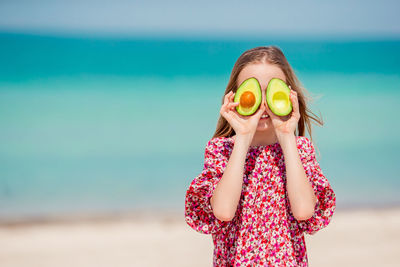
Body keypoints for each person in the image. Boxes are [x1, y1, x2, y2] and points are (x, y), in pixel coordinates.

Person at [184, 46, 336, 266]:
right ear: (233, 97)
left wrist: (286, 137)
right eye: (253, 92)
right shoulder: (222, 151)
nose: (263, 103)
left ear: (289, 95)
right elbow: (223, 211)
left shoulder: (299, 151)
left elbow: (304, 211)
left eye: (272, 92)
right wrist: (243, 137)